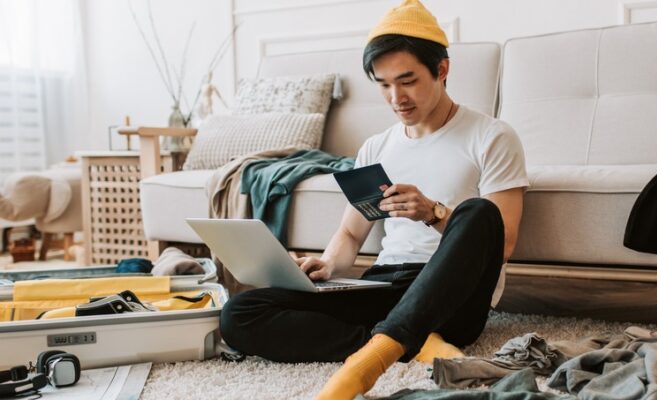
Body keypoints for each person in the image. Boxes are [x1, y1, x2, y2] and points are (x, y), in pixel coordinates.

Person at [218, 1, 529, 398]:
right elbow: (350, 233)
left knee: (478, 212)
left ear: (442, 70)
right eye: (383, 84)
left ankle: (370, 360)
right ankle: (405, 343)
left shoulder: (492, 137)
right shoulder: (376, 148)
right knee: (240, 313)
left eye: (408, 80)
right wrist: (327, 265)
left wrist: (432, 213)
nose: (396, 96)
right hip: (383, 286)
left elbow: (502, 242)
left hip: (453, 296)